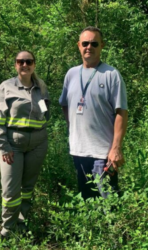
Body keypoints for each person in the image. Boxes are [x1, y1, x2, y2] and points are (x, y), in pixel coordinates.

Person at [59, 26, 128, 200]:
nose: (89, 47)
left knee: (109, 200)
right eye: (85, 43)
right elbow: (65, 105)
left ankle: (114, 228)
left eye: (94, 43)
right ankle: (96, 229)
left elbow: (121, 112)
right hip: (78, 151)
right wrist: (73, 127)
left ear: (102, 46)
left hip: (103, 153)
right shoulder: (71, 74)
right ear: (78, 46)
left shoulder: (111, 74)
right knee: (88, 200)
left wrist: (116, 148)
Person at [0, 51, 50, 240]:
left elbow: (46, 112)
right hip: (13, 146)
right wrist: (4, 146)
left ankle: (23, 222)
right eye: (20, 61)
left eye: (28, 61)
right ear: (16, 65)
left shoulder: (40, 86)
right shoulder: (6, 87)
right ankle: (7, 229)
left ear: (34, 64)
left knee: (28, 188)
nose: (24, 64)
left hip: (38, 144)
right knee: (10, 190)